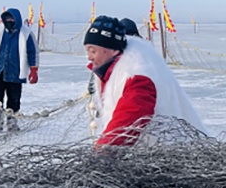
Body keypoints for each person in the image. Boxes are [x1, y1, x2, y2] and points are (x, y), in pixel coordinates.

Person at [84, 15, 207, 146]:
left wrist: (102, 151)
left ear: (112, 50)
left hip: (168, 150)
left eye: (93, 51)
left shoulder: (136, 73)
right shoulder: (110, 65)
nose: (89, 57)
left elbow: (129, 120)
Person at [0, 8, 39, 132]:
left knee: (14, 100)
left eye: (11, 19)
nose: (9, 21)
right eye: (7, 19)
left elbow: (33, 53)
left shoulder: (26, 33)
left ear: (17, 20)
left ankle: (12, 123)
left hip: (15, 73)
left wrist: (33, 70)